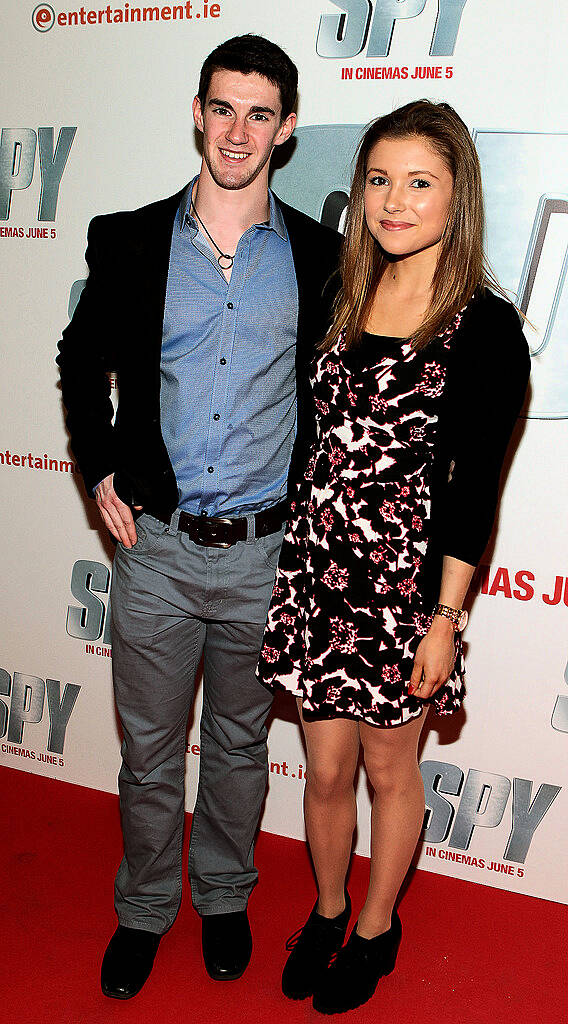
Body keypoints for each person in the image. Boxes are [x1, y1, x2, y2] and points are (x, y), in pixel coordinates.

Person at [57, 34, 340, 1000]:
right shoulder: (131, 237)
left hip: (266, 553)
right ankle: (143, 909)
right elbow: (76, 357)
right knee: (147, 750)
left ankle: (223, 895)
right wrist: (98, 468)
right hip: (159, 551)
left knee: (237, 745)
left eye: (260, 113)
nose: (238, 130)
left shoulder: (320, 256)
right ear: (196, 111)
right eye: (223, 108)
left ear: (287, 128)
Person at [257, 99, 531, 1015]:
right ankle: (329, 910)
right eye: (379, 179)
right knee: (324, 770)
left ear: (458, 198)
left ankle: (377, 926)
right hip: (316, 573)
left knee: (387, 771)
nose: (394, 201)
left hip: (401, 593)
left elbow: (471, 496)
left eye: (420, 182)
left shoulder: (485, 327)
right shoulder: (336, 294)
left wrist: (445, 622)